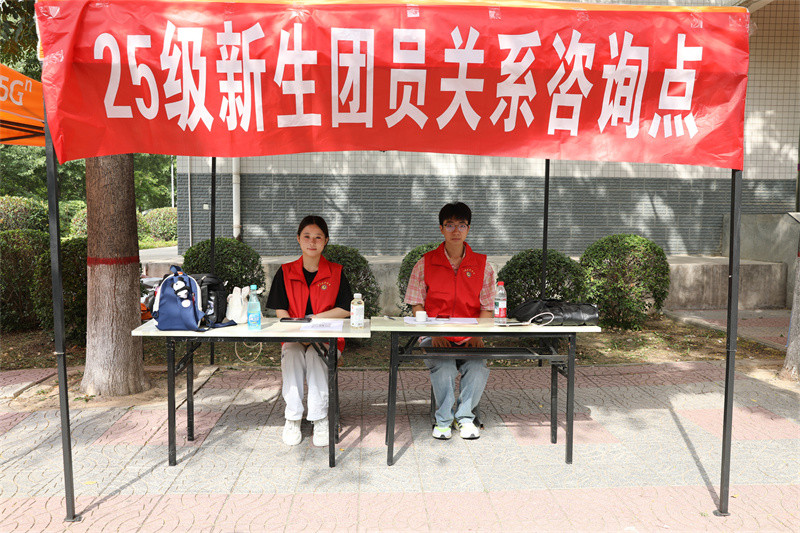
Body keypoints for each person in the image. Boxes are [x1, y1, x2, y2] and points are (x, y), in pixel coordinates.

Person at [403, 202, 496, 440]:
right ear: (441, 228)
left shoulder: (483, 266)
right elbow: (416, 304)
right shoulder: (425, 263)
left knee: (477, 366)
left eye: (462, 225)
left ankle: (465, 418)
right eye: (450, 225)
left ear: (468, 229)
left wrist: (477, 335)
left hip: (469, 336)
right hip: (435, 335)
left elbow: (487, 308)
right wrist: (434, 333)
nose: (456, 230)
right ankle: (443, 420)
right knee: (444, 366)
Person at [266, 215, 352, 447]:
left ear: (326, 241)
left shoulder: (336, 272)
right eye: (307, 236)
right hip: (293, 336)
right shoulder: (285, 272)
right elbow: (281, 311)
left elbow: (346, 309)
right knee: (293, 353)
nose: (312, 242)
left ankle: (320, 418)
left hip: (327, 338)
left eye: (318, 237)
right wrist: (297, 330)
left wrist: (314, 319)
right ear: (298, 239)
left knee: (316, 355)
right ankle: (293, 418)